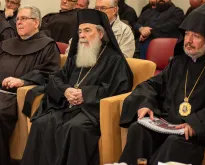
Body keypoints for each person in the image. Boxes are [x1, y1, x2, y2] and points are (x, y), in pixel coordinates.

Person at [21, 9, 133, 165]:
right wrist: (66, 90)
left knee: (75, 128)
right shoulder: (76, 57)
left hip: (92, 111)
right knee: (41, 123)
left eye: (87, 30)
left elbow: (118, 89)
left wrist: (85, 94)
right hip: (67, 106)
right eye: (80, 31)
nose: (81, 35)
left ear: (100, 34)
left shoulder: (114, 60)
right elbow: (56, 78)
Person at [119, 1, 205, 165]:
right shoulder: (178, 62)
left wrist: (197, 123)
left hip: (193, 132)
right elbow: (150, 85)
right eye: (187, 34)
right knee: (138, 129)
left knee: (174, 142)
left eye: (196, 36)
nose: (189, 40)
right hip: (168, 123)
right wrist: (146, 104)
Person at [0, 5, 60, 165]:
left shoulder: (47, 45)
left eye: (23, 19)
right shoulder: (7, 44)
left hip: (14, 97)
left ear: (36, 22)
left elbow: (50, 73)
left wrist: (23, 81)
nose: (18, 22)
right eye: (17, 19)